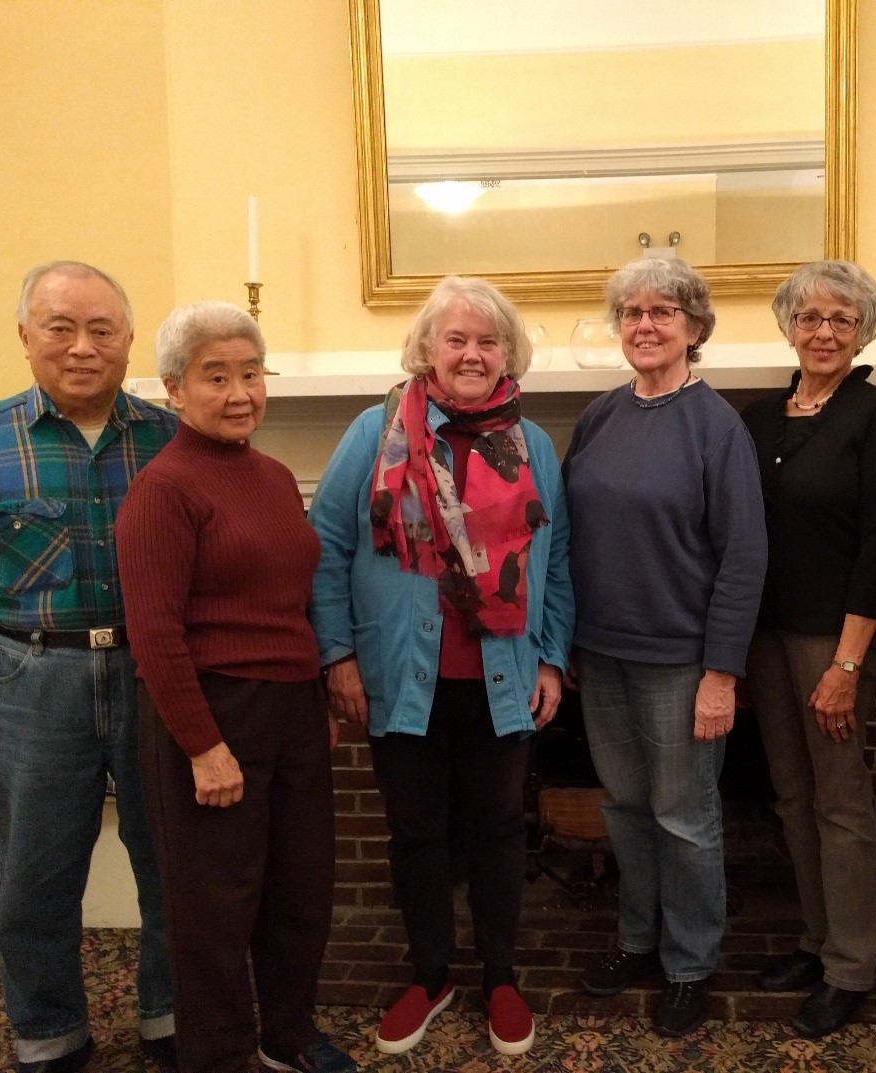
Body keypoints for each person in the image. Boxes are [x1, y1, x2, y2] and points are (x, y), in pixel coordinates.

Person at [0, 261, 177, 1072]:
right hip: (30, 682)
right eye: (61, 327)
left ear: (130, 340)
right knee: (33, 874)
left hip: (154, 677)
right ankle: (49, 1032)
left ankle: (172, 1017)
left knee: (172, 861)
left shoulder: (173, 441)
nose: (83, 346)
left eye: (103, 329)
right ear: (25, 336)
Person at [308, 277, 573, 1059]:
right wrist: (338, 655)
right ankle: (430, 972)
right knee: (415, 830)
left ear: (508, 356)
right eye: (455, 338)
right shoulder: (372, 432)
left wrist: (552, 659)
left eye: (487, 341)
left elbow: (559, 565)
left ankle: (499, 974)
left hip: (502, 674)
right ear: (426, 349)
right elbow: (326, 548)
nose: (471, 352)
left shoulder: (535, 445)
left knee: (497, 828)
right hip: (399, 675)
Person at [115, 302, 355, 1073]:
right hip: (210, 709)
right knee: (215, 906)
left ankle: (286, 1034)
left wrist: (312, 699)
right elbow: (154, 633)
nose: (239, 392)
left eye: (250, 373)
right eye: (215, 376)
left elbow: (289, 602)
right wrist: (203, 744)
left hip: (288, 709)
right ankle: (217, 1056)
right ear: (175, 390)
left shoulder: (276, 476)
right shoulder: (163, 489)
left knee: (299, 889)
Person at [564, 257, 766, 1037]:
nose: (645, 325)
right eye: (632, 312)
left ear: (693, 327)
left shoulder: (716, 425)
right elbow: (575, 533)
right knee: (624, 807)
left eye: (663, 312)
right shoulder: (600, 416)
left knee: (684, 817)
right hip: (602, 653)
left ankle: (689, 963)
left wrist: (721, 672)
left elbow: (743, 556)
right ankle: (635, 937)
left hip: (681, 661)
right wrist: (570, 639)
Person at [740, 261, 876, 1038]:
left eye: (842, 319)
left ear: (863, 330)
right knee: (791, 795)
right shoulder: (761, 416)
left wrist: (846, 663)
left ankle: (850, 966)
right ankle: (815, 938)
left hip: (832, 641)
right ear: (788, 326)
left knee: (839, 799)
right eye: (809, 317)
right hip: (765, 636)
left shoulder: (874, 416)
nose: (824, 332)